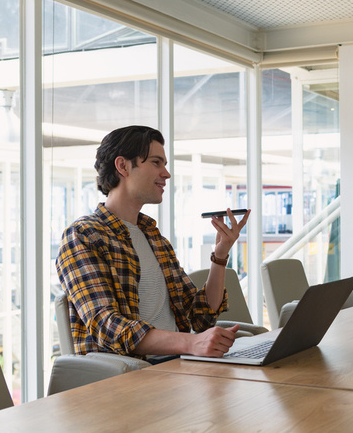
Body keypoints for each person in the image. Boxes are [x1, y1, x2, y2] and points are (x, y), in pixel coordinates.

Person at [56, 125, 250, 363]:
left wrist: (220, 255)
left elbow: (200, 316)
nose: (166, 173)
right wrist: (191, 343)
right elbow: (106, 325)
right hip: (131, 375)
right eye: (156, 163)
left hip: (179, 364)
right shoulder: (84, 236)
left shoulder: (153, 237)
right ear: (123, 166)